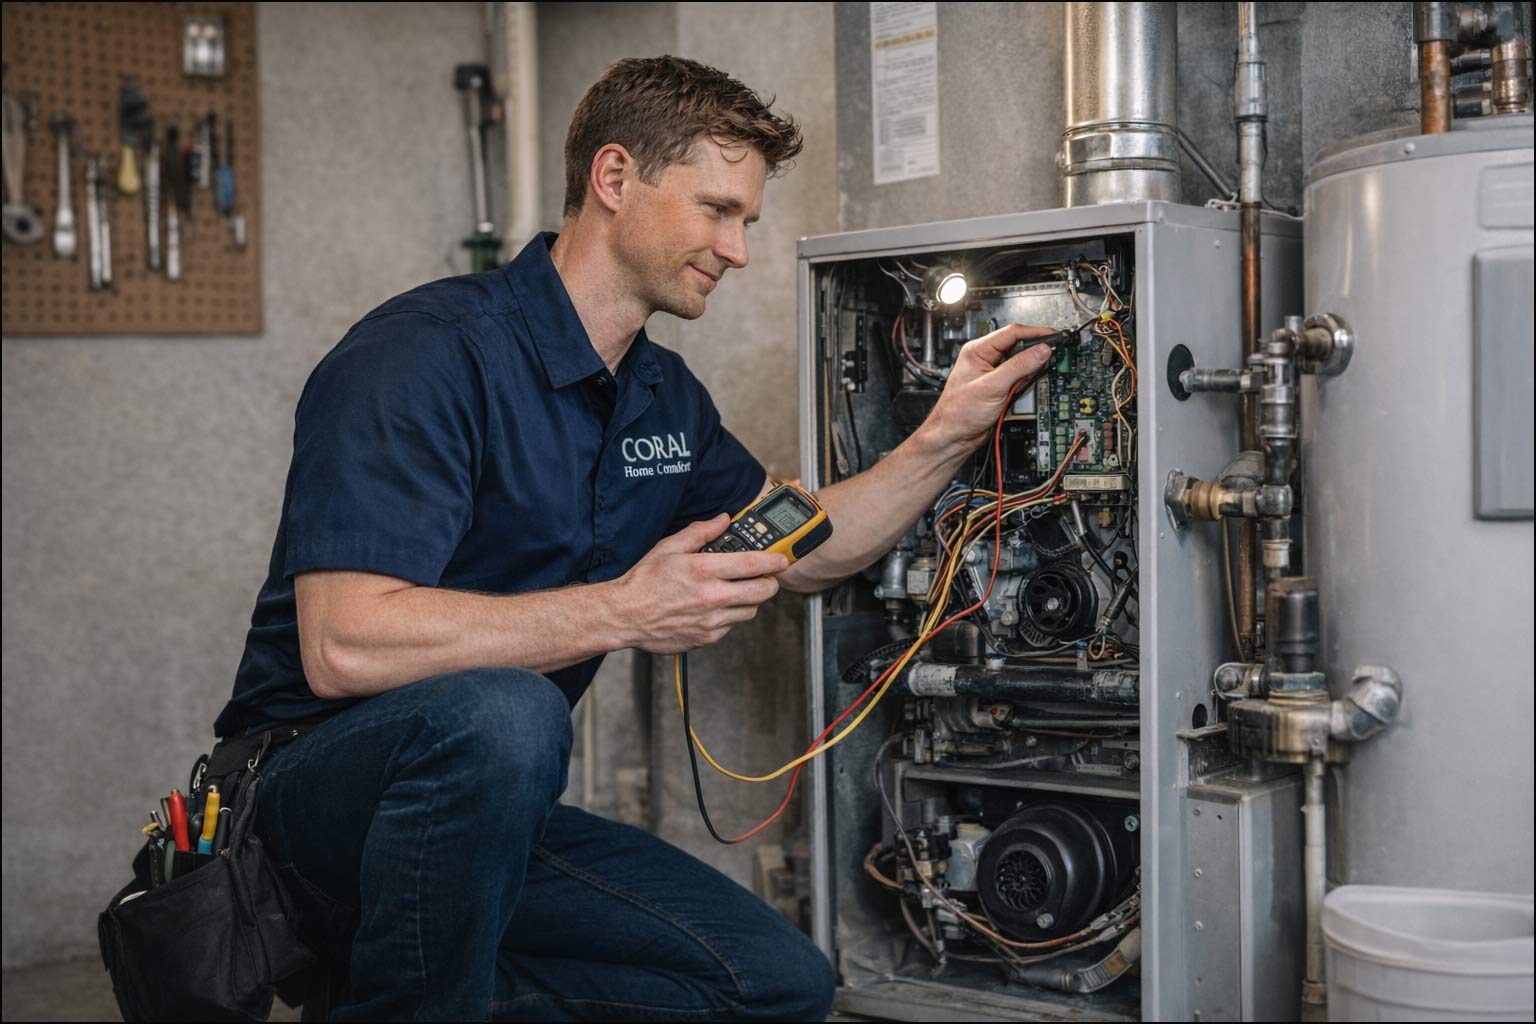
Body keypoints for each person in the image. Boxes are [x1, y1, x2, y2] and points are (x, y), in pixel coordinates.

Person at [213, 54, 1056, 1021]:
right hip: (311, 806)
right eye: (717, 211)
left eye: (746, 219)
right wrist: (625, 609)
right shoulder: (422, 357)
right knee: (508, 713)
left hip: (485, 818)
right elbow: (342, 642)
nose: (737, 250)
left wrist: (948, 431)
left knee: (776, 986)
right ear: (615, 180)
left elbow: (812, 548)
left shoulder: (662, 399)